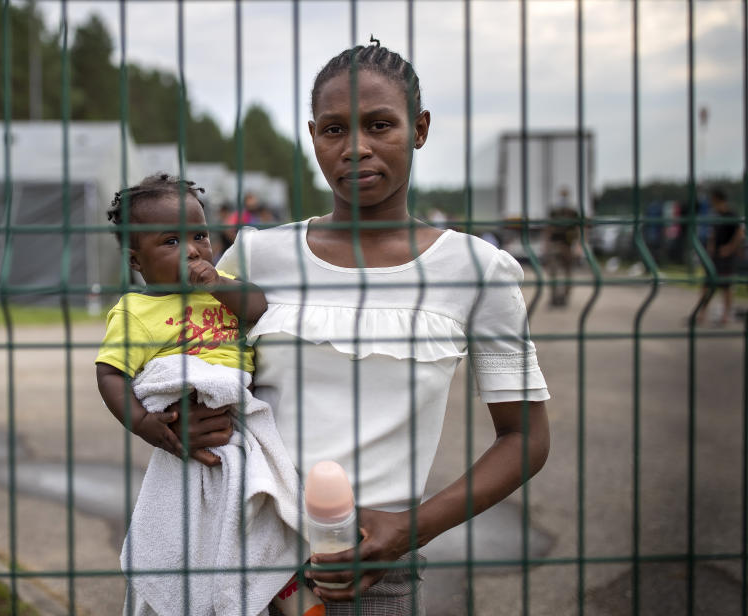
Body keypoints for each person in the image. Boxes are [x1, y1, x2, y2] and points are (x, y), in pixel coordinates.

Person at [213, 40, 551, 612]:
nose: (356, 148)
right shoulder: (255, 256)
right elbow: (187, 371)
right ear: (313, 135)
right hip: (238, 550)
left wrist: (409, 528)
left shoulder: (476, 271)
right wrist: (165, 420)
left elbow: (525, 438)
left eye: (379, 125)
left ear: (419, 129)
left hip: (369, 566)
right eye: (334, 129)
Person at [94, 174, 312, 616]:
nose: (193, 250)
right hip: (188, 428)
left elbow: (257, 308)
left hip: (244, 424)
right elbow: (111, 374)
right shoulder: (135, 311)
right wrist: (144, 423)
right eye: (171, 241)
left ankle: (248, 584)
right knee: (195, 529)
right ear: (137, 261)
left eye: (199, 235)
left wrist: (219, 285)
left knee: (250, 524)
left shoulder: (223, 289)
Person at [696, 188, 745, 326]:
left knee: (726, 286)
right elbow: (713, 233)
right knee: (707, 284)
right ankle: (701, 314)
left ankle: (725, 315)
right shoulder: (716, 214)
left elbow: (740, 233)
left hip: (727, 256)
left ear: (718, 199)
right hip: (715, 255)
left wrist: (729, 248)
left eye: (713, 199)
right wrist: (711, 247)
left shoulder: (731, 213)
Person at [543, 187, 579, 307]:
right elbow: (548, 228)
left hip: (567, 245)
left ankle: (564, 297)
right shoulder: (554, 212)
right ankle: (554, 297)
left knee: (567, 273)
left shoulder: (572, 212)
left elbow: (577, 229)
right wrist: (547, 245)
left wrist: (577, 245)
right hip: (555, 244)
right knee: (553, 272)